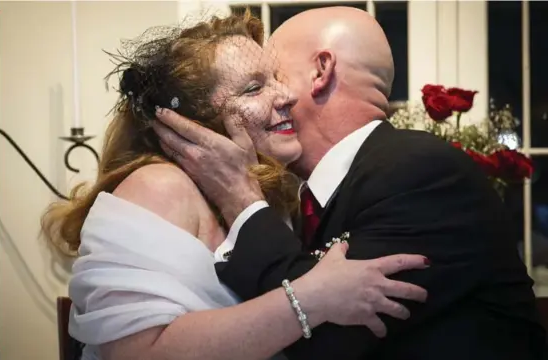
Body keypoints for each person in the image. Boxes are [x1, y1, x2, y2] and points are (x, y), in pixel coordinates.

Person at [153, 6, 547, 360]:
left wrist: (240, 196)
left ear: (320, 71)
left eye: (271, 77)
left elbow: (321, 339)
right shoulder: (309, 194)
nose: (271, 95)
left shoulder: (420, 172)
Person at [41, 10, 430, 360]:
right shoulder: (159, 187)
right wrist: (313, 298)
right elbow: (137, 353)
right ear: (193, 121)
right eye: (253, 88)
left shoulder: (272, 203)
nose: (288, 95)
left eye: (277, 78)